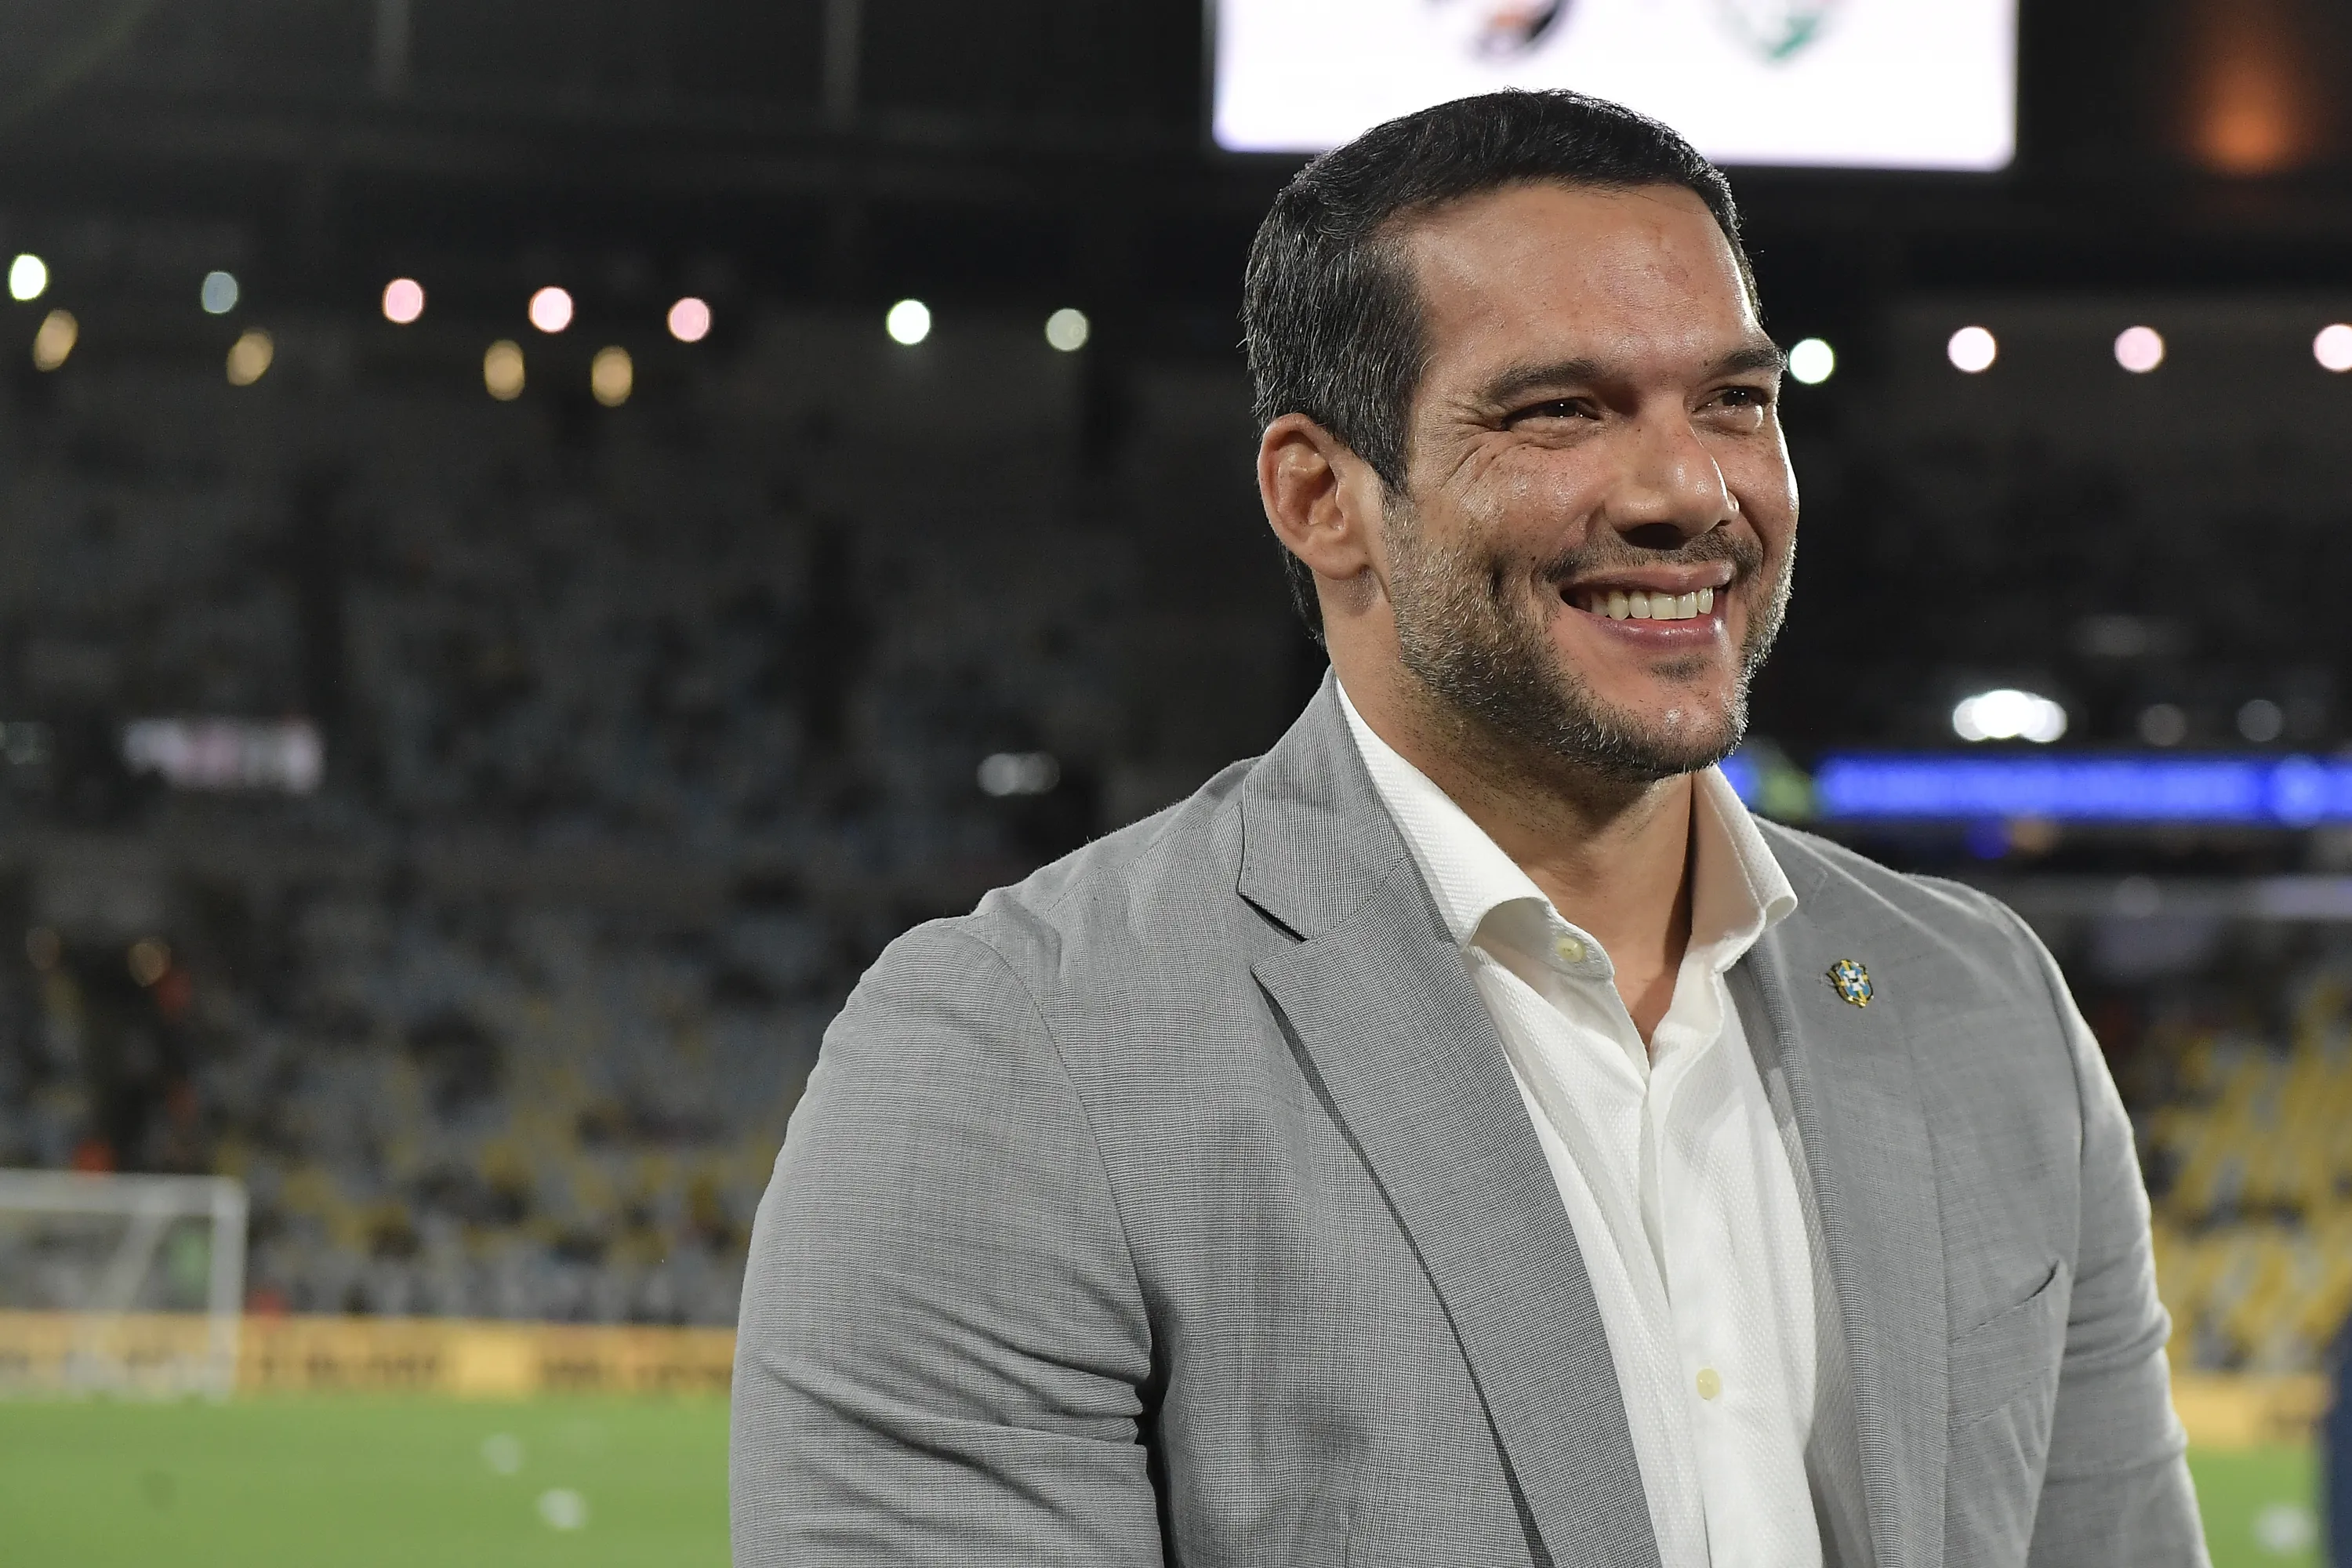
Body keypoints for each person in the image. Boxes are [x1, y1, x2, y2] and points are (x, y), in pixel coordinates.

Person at [731, 90, 2205, 1567]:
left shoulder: (1985, 1008)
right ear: (1322, 497)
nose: (1688, 489)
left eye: (1736, 403)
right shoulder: (1015, 1057)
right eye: (1560, 410)